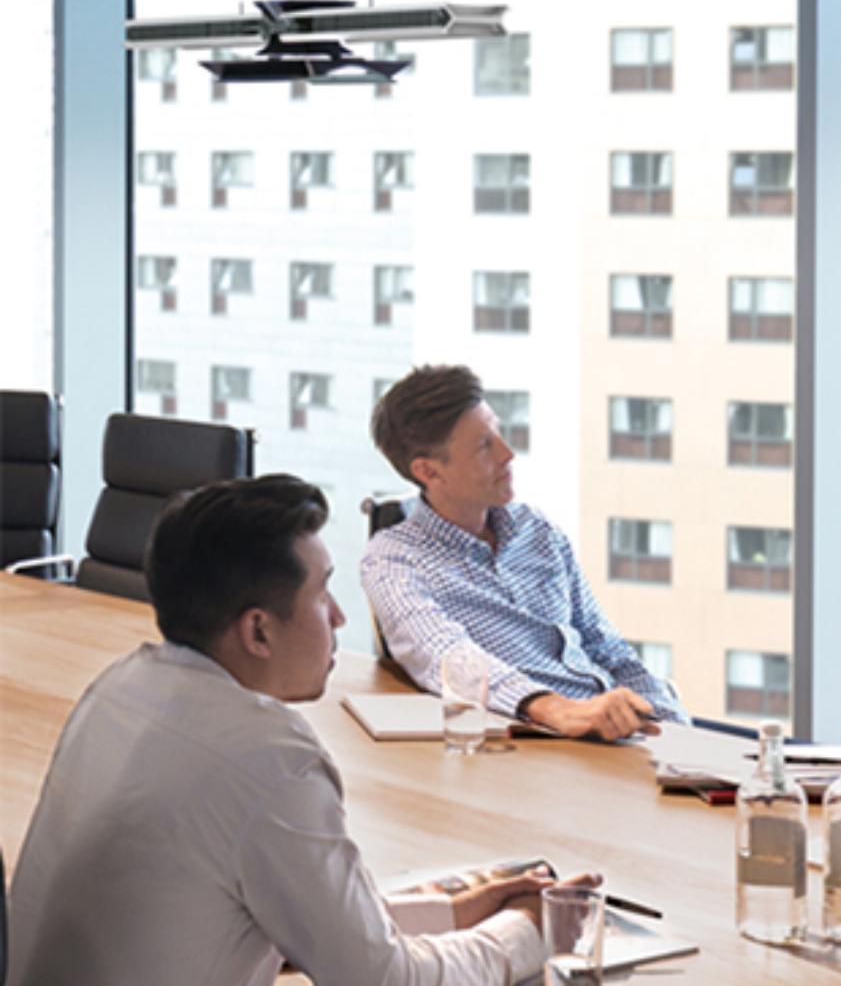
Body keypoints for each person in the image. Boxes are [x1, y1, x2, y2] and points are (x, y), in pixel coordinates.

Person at [7, 475, 597, 985]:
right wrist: (530, 931)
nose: (339, 616)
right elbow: (383, 980)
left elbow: (290, 917)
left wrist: (455, 911)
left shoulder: (121, 688)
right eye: (322, 591)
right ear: (258, 632)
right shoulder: (267, 758)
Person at [362, 364, 687, 739]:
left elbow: (606, 647)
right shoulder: (393, 561)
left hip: (622, 731)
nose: (507, 453)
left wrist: (675, 728)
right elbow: (443, 654)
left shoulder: (537, 530)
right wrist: (558, 710)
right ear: (430, 472)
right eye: (484, 445)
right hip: (545, 741)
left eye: (497, 433)